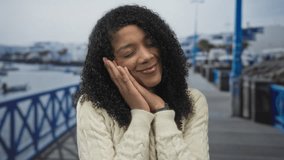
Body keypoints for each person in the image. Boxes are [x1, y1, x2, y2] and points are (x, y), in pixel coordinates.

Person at [76, 5, 209, 160]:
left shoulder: (193, 100)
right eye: (129, 53)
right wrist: (140, 114)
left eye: (151, 43)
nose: (146, 56)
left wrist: (161, 110)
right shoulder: (93, 107)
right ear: (110, 65)